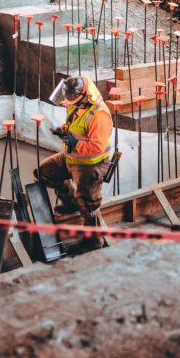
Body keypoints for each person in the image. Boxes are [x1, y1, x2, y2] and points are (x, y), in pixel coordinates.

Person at [37, 75, 113, 248]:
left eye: (72, 98)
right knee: (45, 173)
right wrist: (64, 130)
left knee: (88, 203)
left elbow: (98, 146)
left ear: (85, 96)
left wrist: (76, 143)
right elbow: (74, 125)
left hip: (90, 164)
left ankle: (93, 241)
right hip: (71, 157)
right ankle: (70, 203)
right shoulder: (76, 105)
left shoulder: (99, 115)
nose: (68, 101)